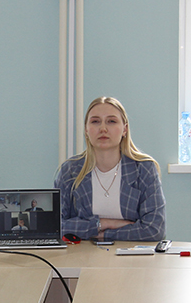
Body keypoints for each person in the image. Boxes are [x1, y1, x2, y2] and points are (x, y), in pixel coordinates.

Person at [54, 96, 166, 241]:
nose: (103, 129)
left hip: (131, 254)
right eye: (95, 121)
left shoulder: (144, 169)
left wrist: (104, 235)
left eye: (111, 121)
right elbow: (55, 226)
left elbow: (154, 229)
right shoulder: (70, 170)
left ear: (125, 129)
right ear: (86, 130)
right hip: (82, 254)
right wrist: (102, 224)